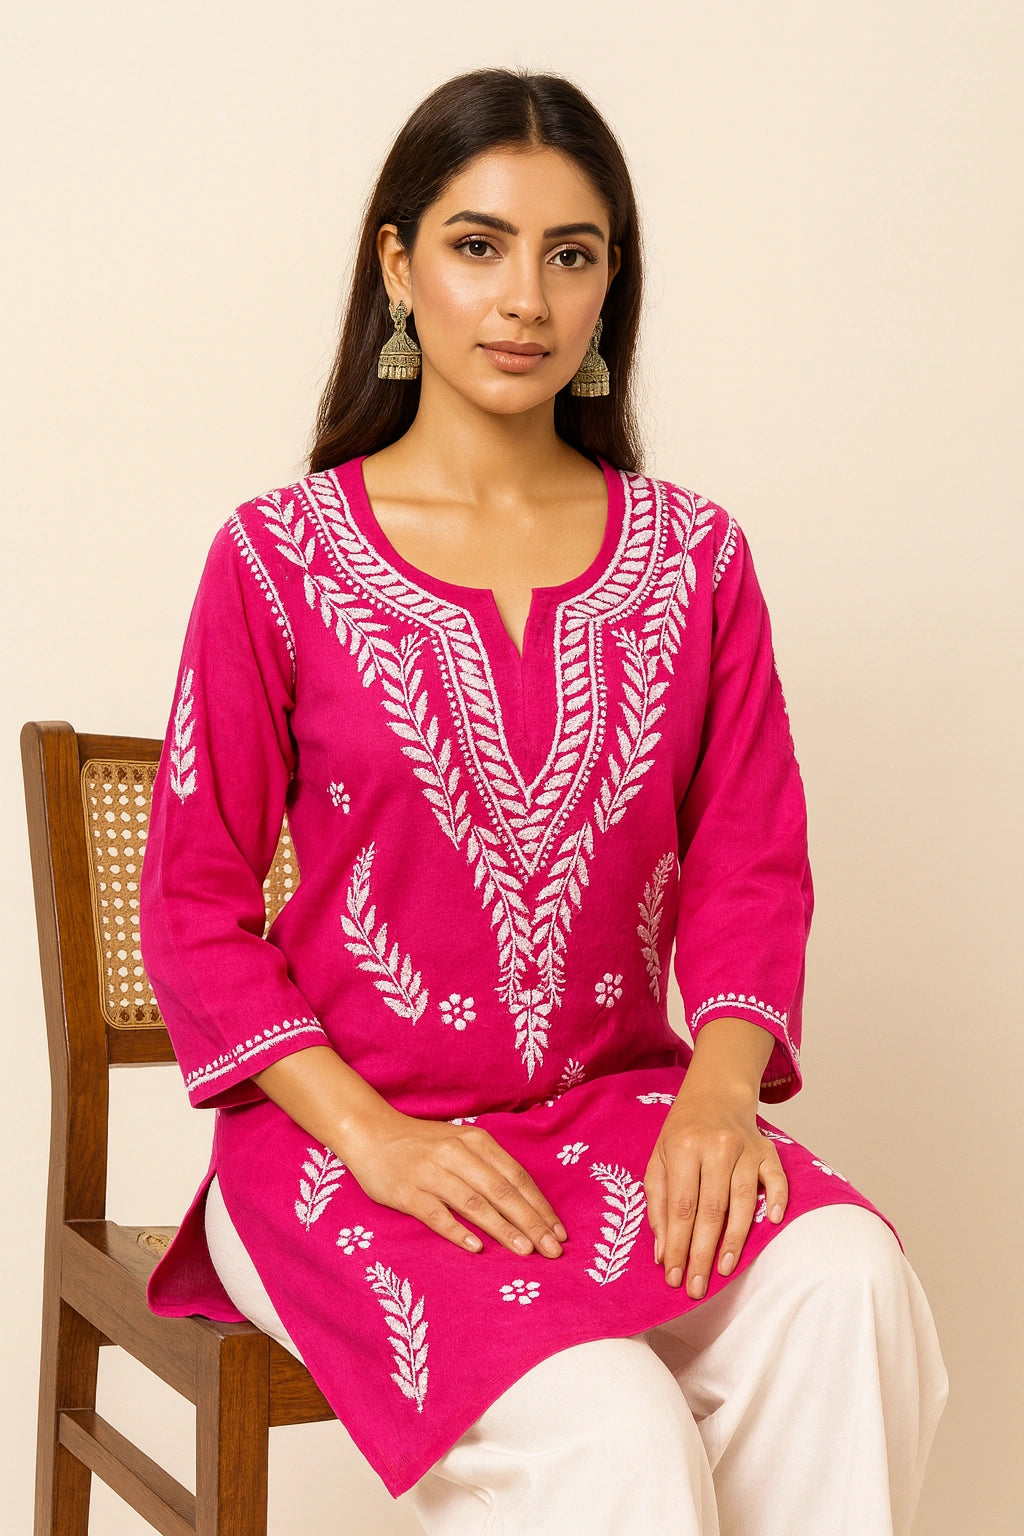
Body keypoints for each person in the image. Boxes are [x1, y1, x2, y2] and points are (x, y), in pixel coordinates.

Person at [138, 64, 949, 1535]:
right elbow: (194, 911)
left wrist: (719, 1096)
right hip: (345, 1147)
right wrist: (377, 1137)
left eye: (569, 254)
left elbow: (753, 863)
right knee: (610, 1435)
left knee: (851, 1289)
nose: (523, 298)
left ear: (608, 288)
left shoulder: (694, 558)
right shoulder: (276, 560)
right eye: (478, 244)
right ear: (399, 264)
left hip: (620, 1121)